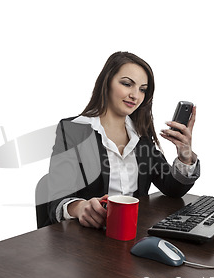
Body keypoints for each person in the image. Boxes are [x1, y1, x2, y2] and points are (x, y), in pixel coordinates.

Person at [45, 51, 200, 228]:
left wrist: (185, 154)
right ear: (107, 82)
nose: (135, 95)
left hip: (133, 232)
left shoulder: (140, 134)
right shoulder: (74, 130)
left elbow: (173, 189)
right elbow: (55, 201)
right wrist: (80, 207)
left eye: (142, 89)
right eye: (127, 84)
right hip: (88, 238)